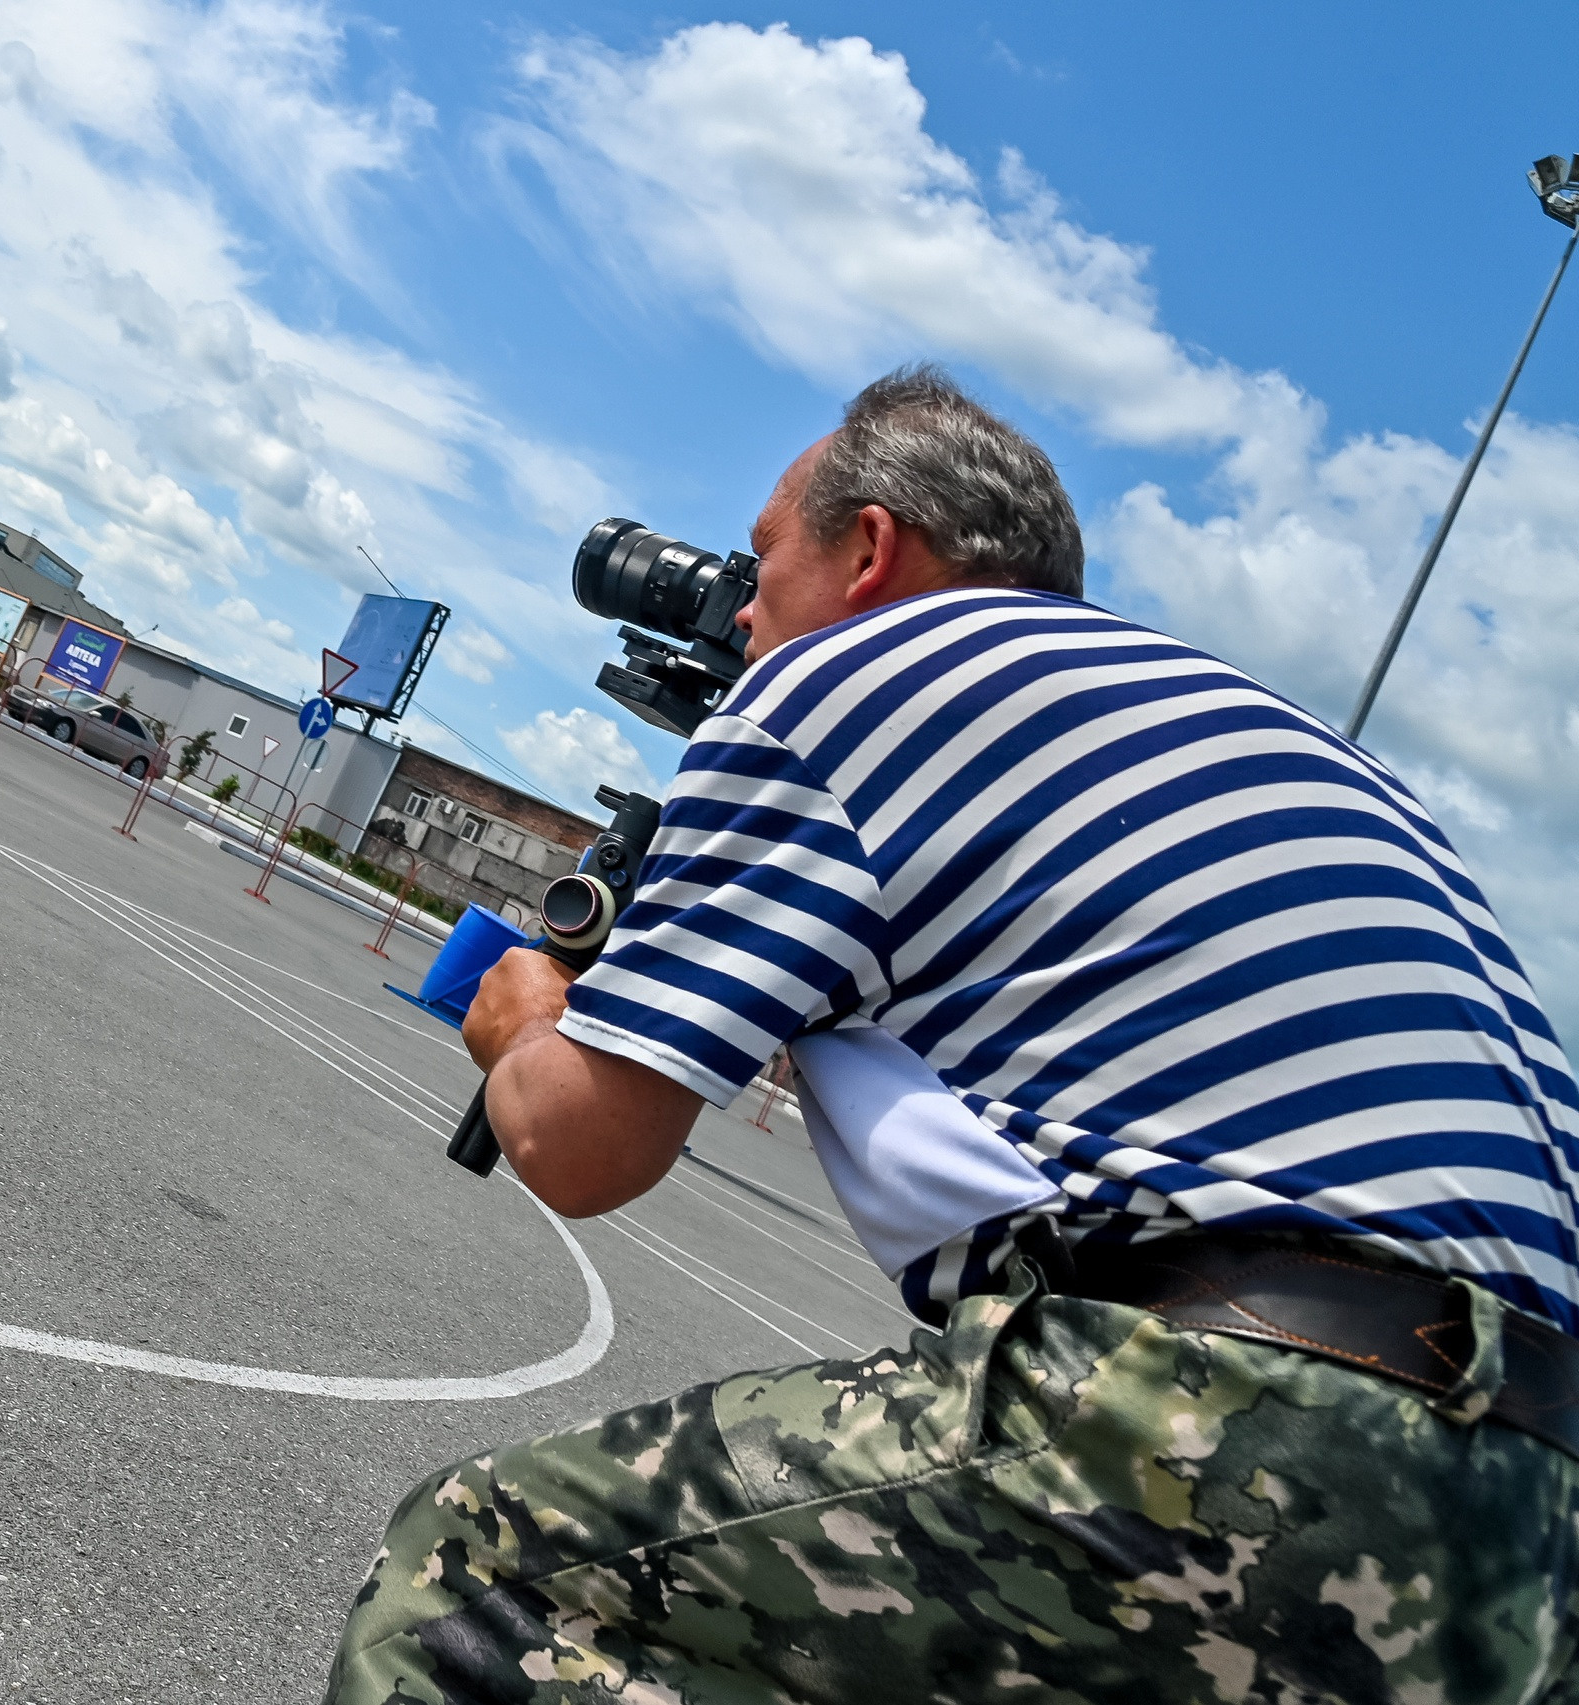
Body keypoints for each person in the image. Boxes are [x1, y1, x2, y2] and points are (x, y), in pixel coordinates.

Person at [325, 368, 1579, 1704]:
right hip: (1537, 1532)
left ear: (869, 549)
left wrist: (524, 1020)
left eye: (756, 563)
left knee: (482, 1580)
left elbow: (581, 1147)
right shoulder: (1274, 741)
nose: (741, 612)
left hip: (1238, 1425)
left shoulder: (839, 683)